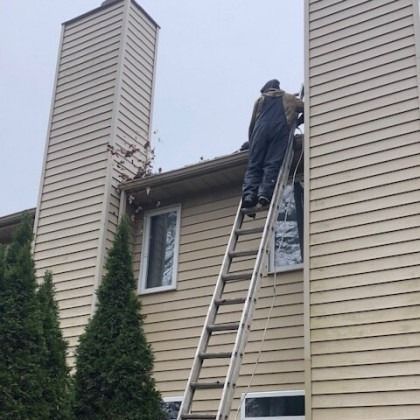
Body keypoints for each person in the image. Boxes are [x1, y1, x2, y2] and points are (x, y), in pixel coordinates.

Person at [242, 79, 304, 208]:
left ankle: (249, 195)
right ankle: (265, 194)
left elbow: (253, 123)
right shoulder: (289, 98)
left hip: (260, 132)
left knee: (254, 164)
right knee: (272, 163)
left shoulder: (260, 100)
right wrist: (298, 122)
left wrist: (252, 143)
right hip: (279, 132)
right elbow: (307, 108)